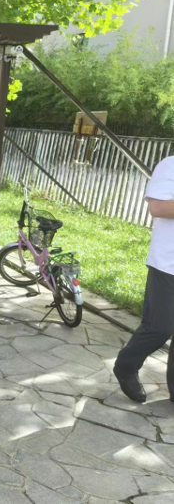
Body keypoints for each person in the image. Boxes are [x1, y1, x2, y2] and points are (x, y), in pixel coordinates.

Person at [115, 155, 174, 404]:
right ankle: (126, 365)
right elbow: (158, 207)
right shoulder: (170, 164)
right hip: (168, 264)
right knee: (159, 326)